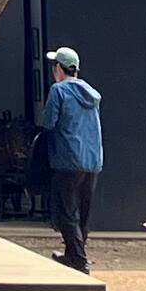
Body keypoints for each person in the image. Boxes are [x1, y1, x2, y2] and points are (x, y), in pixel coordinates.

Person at [39, 45, 103, 273]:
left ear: (58, 68)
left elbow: (48, 122)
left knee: (67, 211)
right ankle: (75, 253)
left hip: (67, 159)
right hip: (93, 161)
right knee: (83, 210)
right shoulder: (92, 94)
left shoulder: (58, 91)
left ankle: (78, 259)